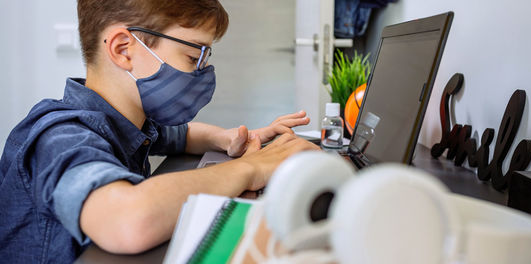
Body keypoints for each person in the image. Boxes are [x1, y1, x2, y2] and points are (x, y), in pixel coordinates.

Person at [0, 0, 320, 263]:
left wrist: (228, 139)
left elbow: (180, 135)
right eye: (194, 57)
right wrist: (252, 168)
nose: (203, 72)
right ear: (124, 49)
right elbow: (126, 221)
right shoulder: (60, 136)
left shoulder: (128, 122)